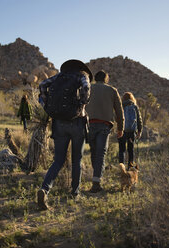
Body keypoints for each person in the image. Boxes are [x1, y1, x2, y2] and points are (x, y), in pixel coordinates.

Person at [37, 59, 92, 210]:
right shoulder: (82, 76)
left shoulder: (58, 77)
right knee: (77, 159)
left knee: (58, 160)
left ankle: (45, 189)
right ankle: (75, 192)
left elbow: (42, 85)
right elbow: (86, 88)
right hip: (77, 122)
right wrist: (82, 104)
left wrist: (46, 104)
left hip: (59, 122)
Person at [85, 70, 124, 193]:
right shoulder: (112, 90)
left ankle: (95, 178)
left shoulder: (88, 88)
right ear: (106, 79)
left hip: (89, 124)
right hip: (104, 125)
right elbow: (119, 111)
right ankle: (96, 182)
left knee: (94, 151)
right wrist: (120, 128)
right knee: (101, 154)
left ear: (95, 79)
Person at [118, 92, 143, 169]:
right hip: (132, 131)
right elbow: (139, 119)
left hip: (122, 130)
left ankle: (121, 167)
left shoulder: (121, 106)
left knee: (122, 150)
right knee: (130, 149)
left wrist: (118, 129)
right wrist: (139, 131)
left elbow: (117, 118)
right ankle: (130, 166)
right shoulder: (135, 107)